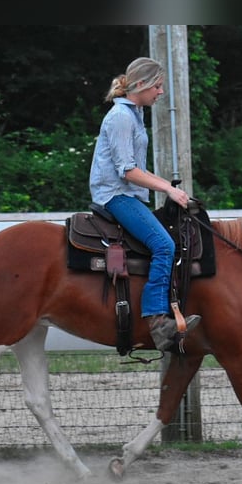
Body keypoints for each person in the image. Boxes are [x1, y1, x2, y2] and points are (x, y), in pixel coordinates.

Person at [89, 56, 200, 352]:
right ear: (141, 85)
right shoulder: (122, 118)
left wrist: (167, 188)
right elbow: (128, 171)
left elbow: (138, 167)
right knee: (164, 245)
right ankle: (157, 323)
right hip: (116, 195)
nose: (161, 92)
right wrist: (167, 188)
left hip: (127, 194)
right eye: (158, 86)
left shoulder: (134, 114)